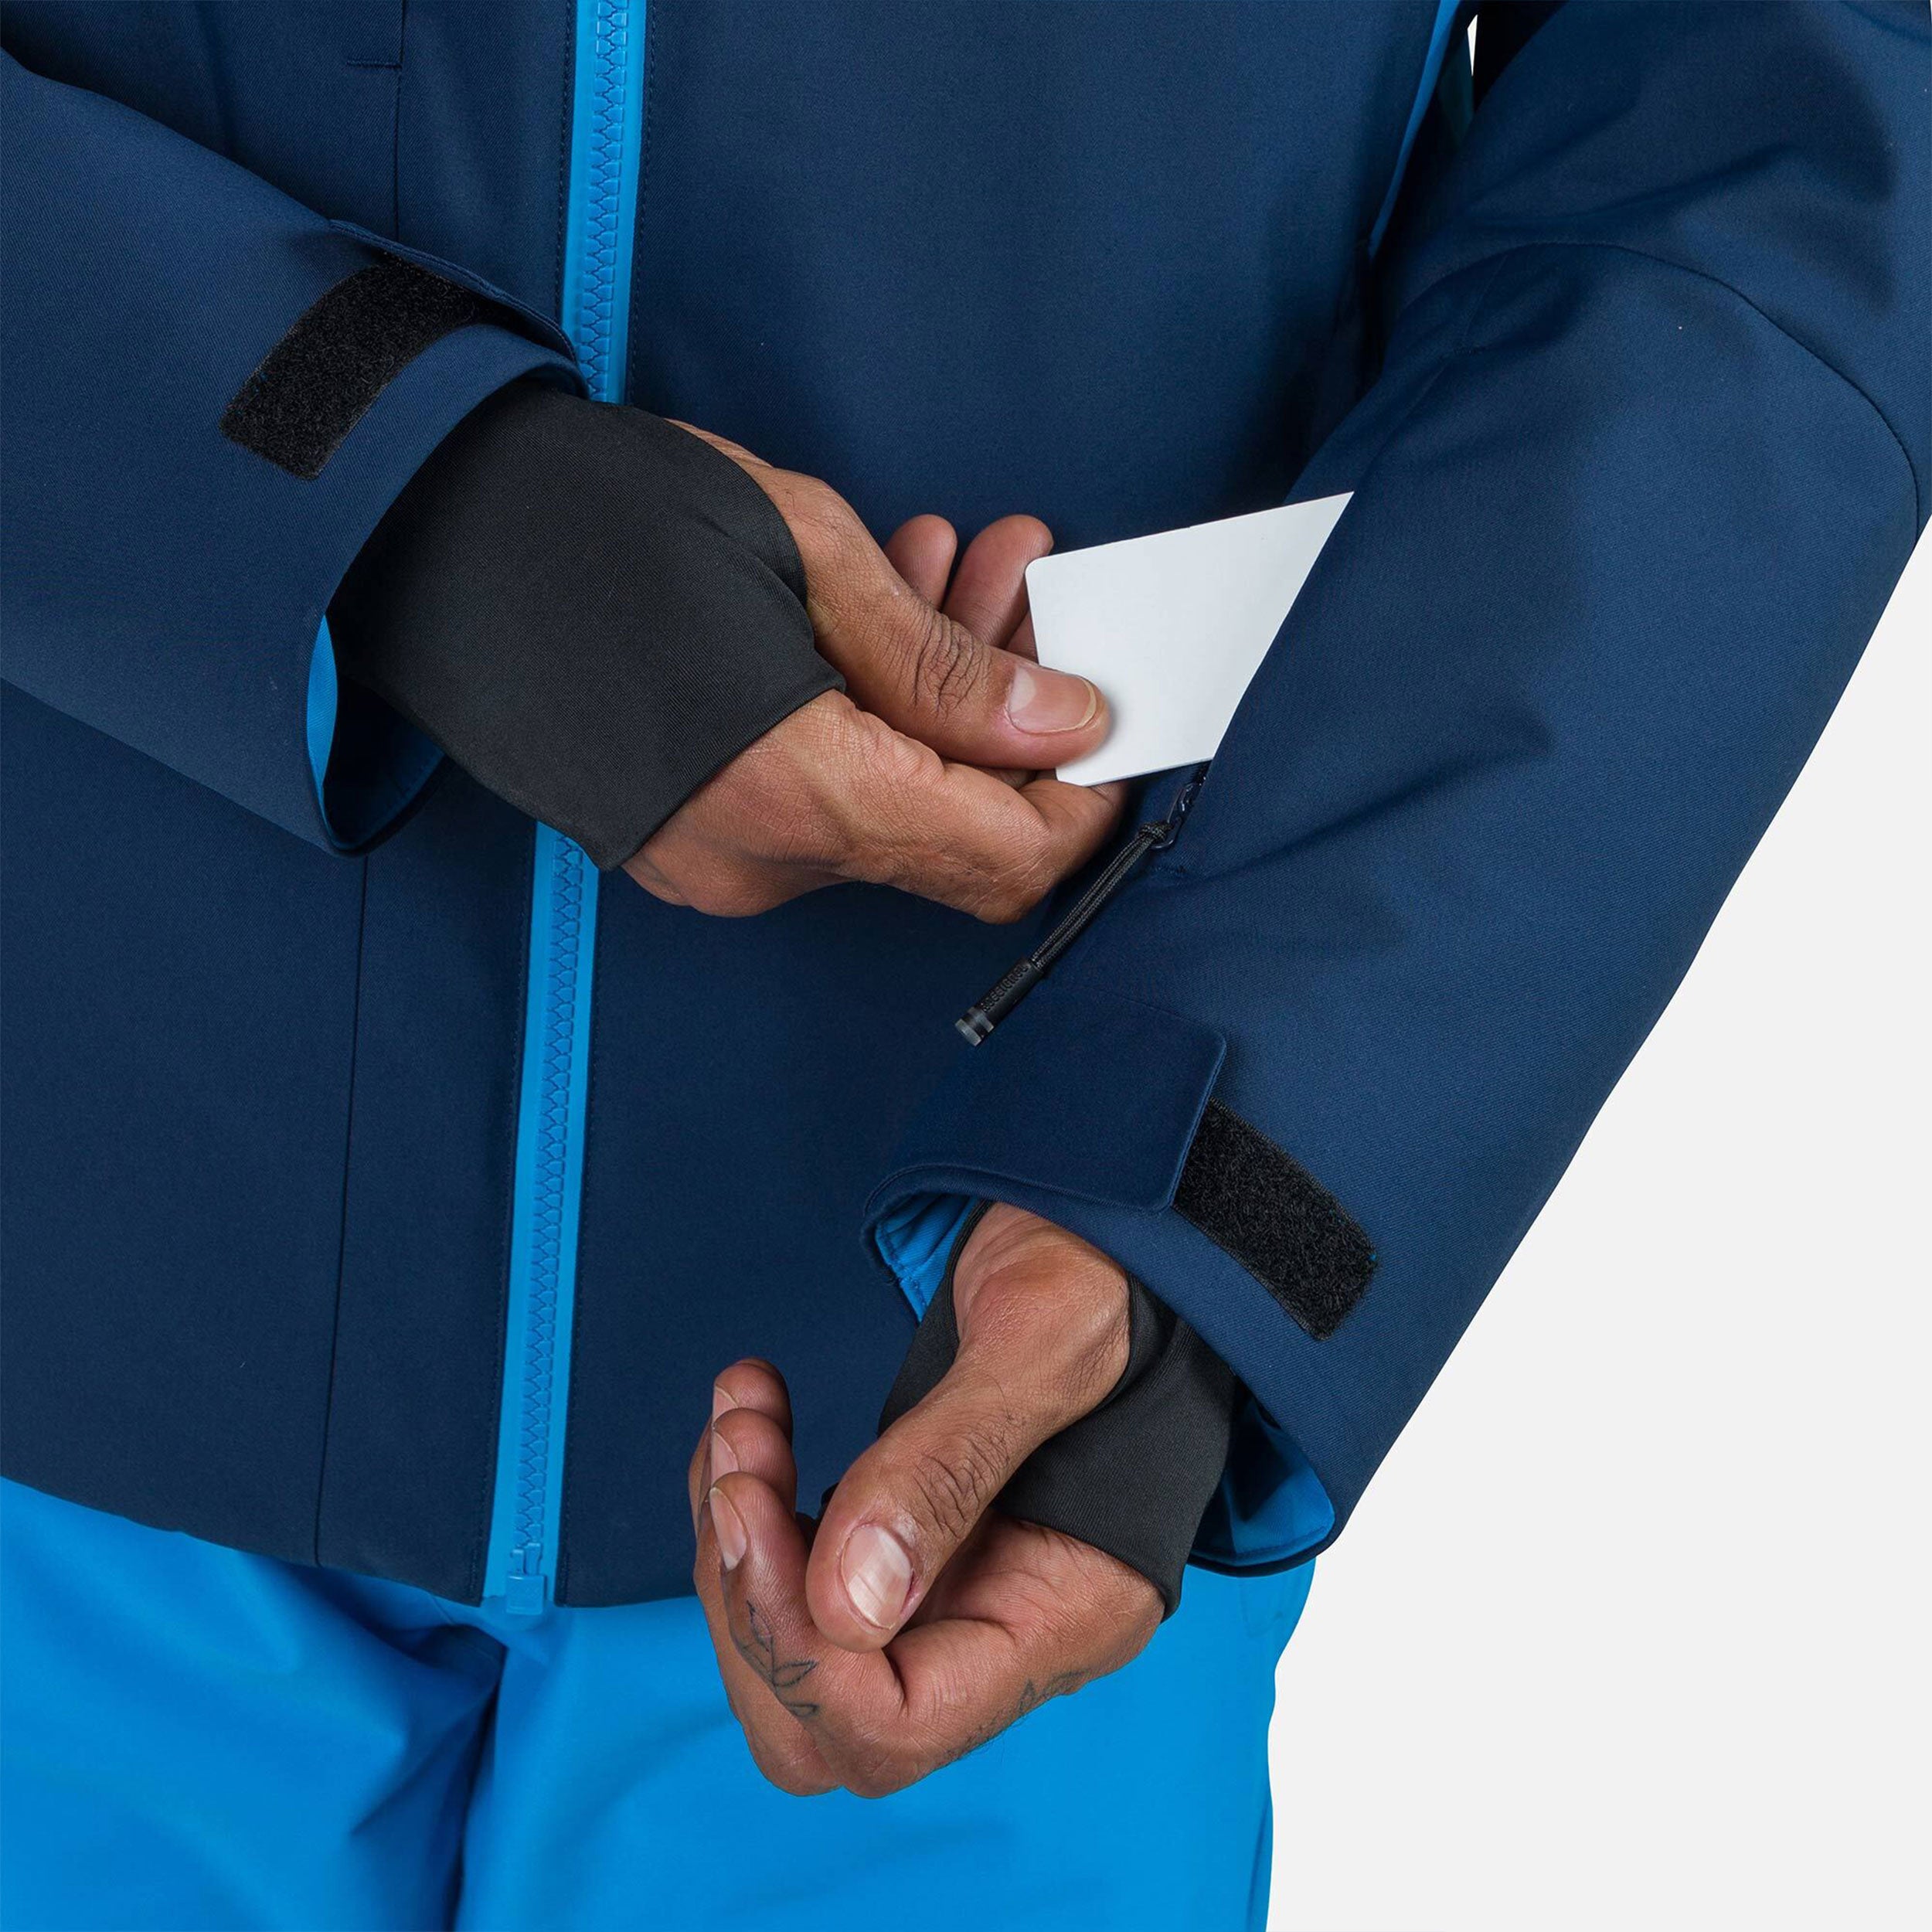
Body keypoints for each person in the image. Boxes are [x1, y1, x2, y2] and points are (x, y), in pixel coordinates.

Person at [1, 5, 1923, 1927]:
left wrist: (1233, 1182)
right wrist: (355, 468)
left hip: (1000, 1388)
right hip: (65, 1372)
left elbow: (1777, 122)